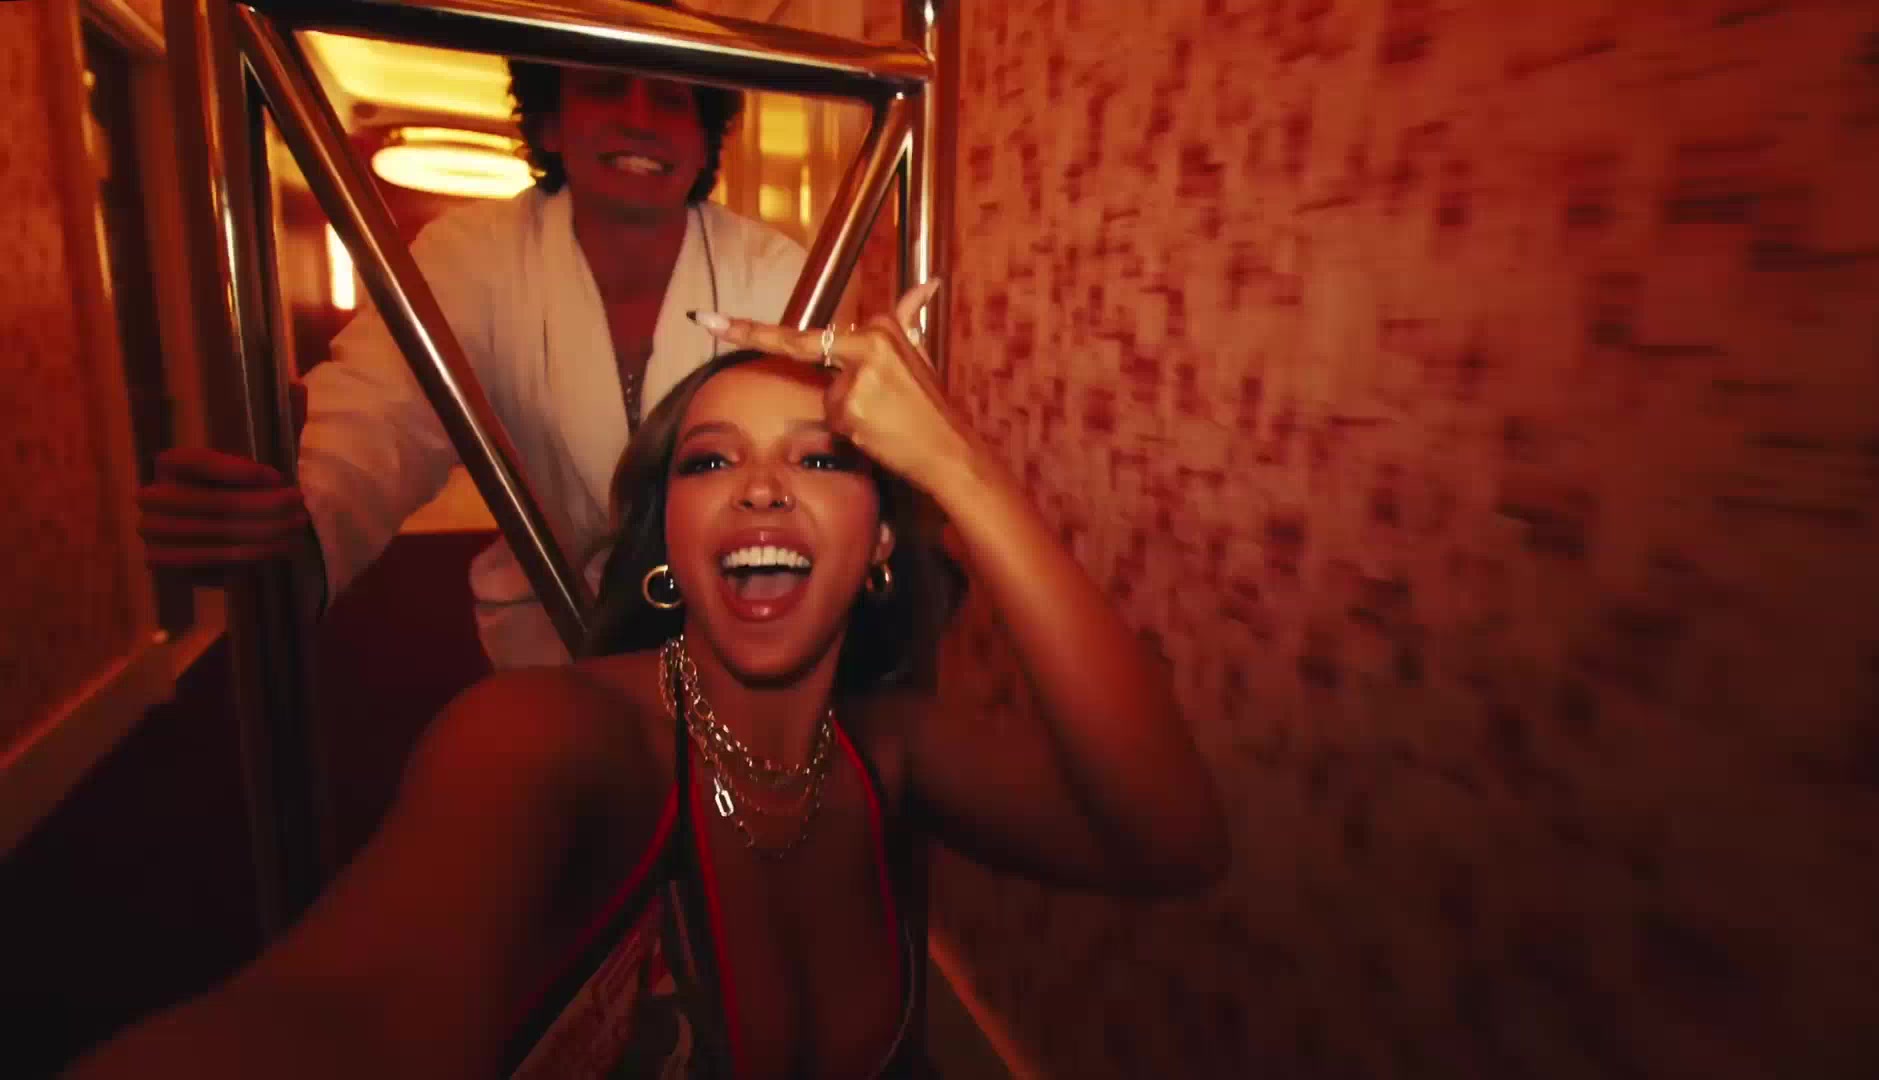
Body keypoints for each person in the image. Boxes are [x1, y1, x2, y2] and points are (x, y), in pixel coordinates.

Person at [65, 284, 1230, 1079]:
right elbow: (335, 1019)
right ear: (669, 538)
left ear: (880, 546)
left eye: (821, 459)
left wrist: (965, 474)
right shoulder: (548, 739)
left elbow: (1170, 839)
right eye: (712, 459)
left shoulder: (893, 746)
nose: (762, 487)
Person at [137, 0, 808, 669]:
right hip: (549, 641)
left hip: (740, 635)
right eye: (604, 88)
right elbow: (379, 413)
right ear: (550, 122)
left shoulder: (778, 272)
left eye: (671, 99)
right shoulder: (470, 256)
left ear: (704, 138)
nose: (640, 119)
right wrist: (288, 519)